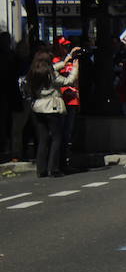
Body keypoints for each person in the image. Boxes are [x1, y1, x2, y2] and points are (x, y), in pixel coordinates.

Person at [27, 46, 81, 177]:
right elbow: (68, 81)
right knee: (57, 138)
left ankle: (41, 169)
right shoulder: (51, 74)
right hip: (51, 107)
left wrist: (65, 60)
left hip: (38, 107)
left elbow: (52, 68)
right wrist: (75, 69)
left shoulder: (34, 71)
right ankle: (54, 168)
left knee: (43, 139)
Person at [49, 37, 80, 170]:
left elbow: (76, 81)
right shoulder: (56, 62)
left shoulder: (72, 61)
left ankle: (65, 161)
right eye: (63, 46)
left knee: (68, 133)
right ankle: (58, 163)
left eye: (67, 46)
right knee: (60, 133)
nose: (66, 48)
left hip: (73, 99)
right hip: (61, 100)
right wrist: (68, 58)